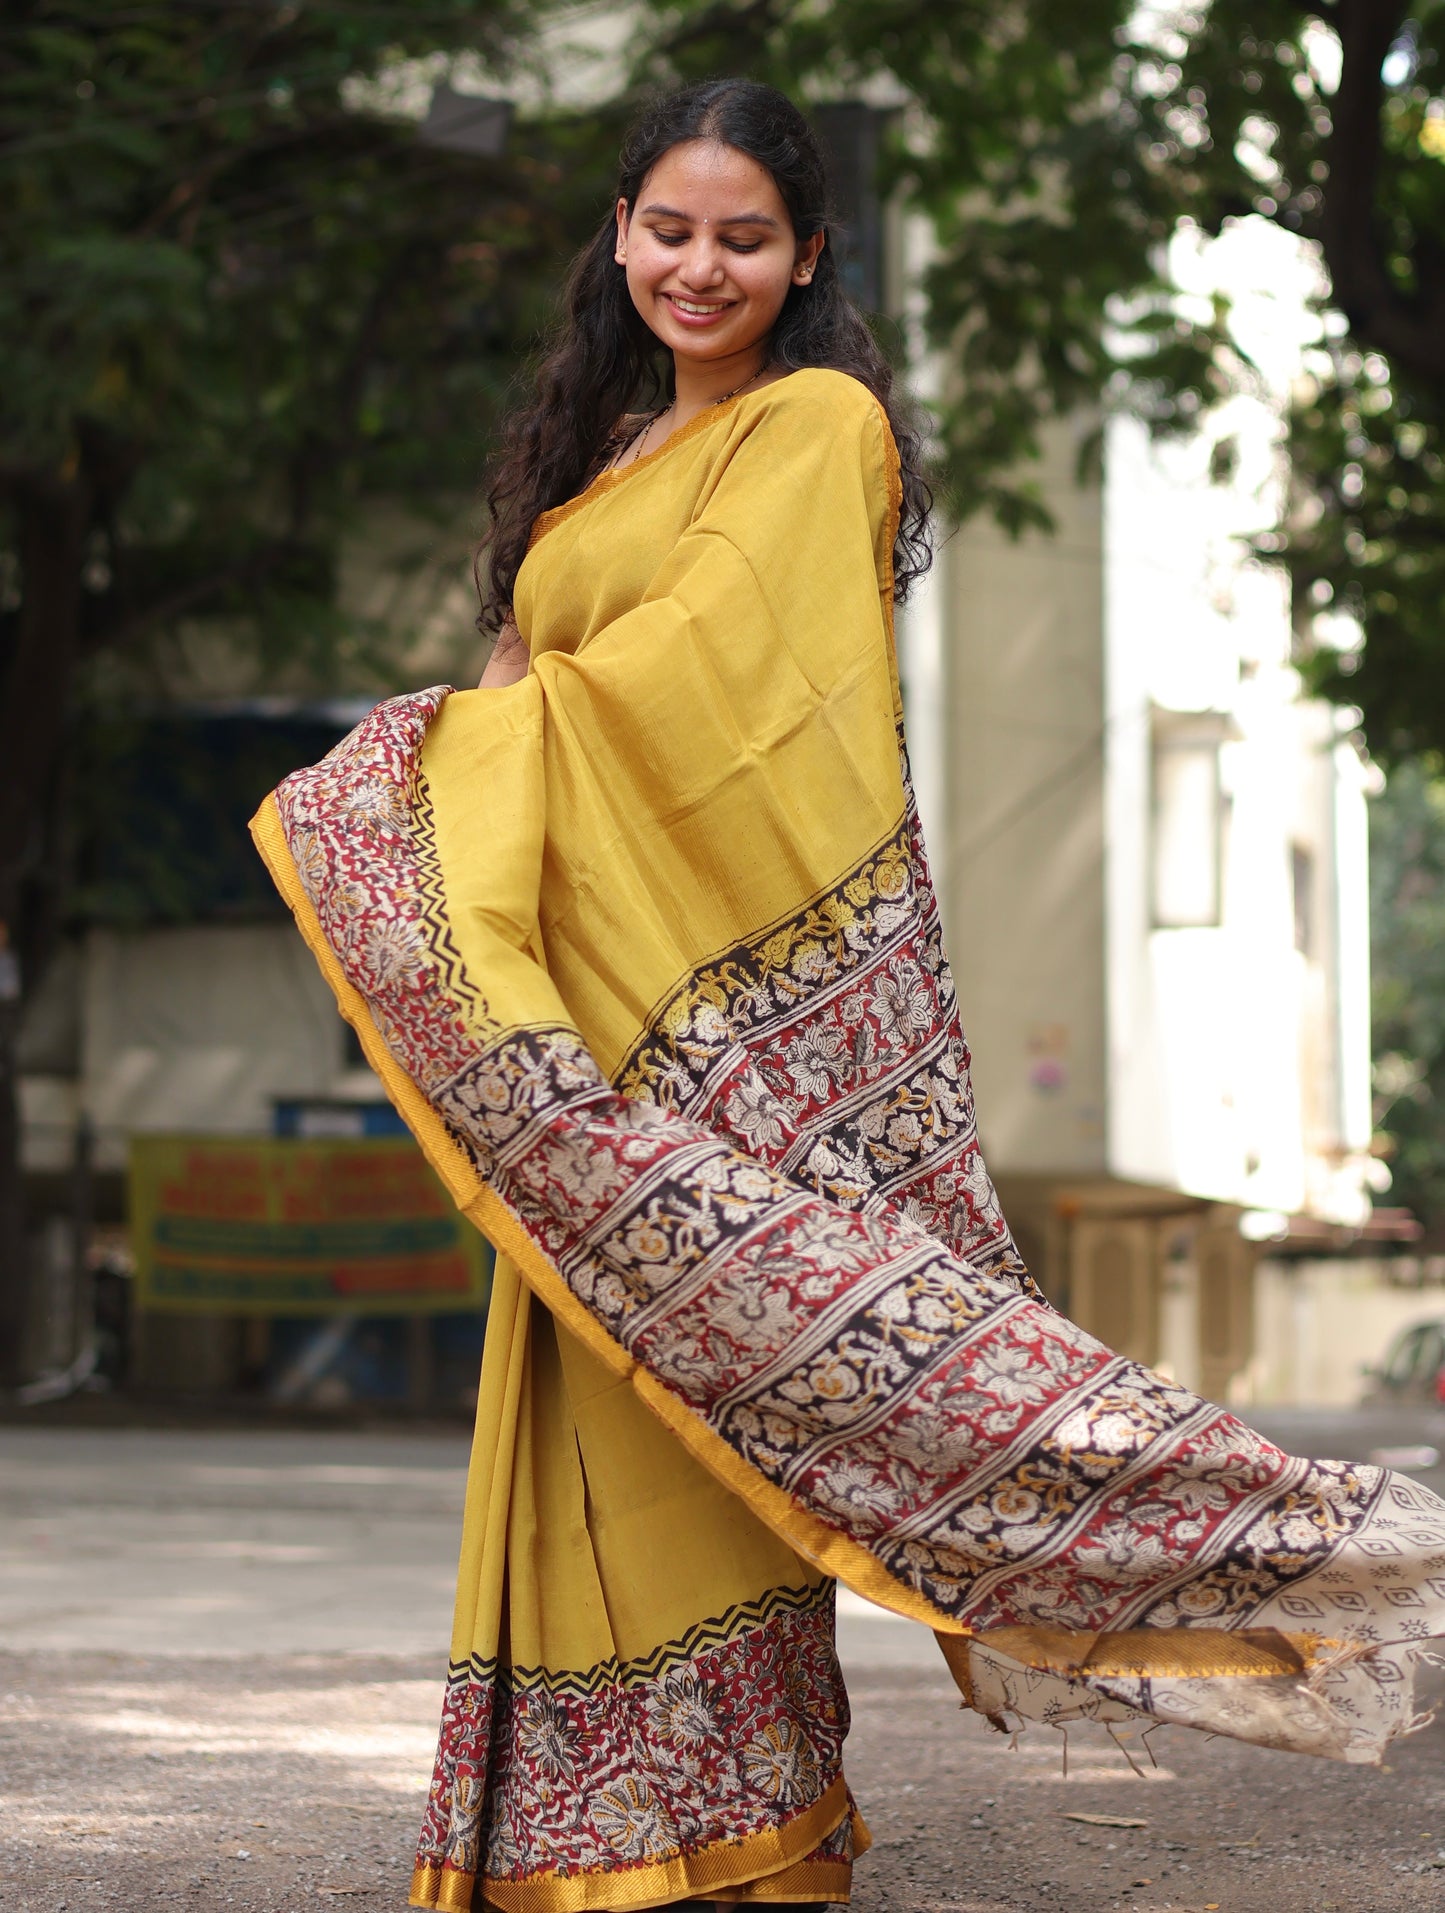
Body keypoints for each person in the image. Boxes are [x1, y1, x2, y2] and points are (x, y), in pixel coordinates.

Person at [253, 77, 1445, 1913]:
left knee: (773, 1399)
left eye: (743, 236)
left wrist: (473, 742)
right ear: (620, 239)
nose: (698, 265)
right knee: (614, 1405)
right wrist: (480, 738)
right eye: (666, 229)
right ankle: (624, 1830)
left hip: (718, 1049)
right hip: (597, 1029)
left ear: (806, 255)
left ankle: (774, 1810)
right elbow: (531, 682)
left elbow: (715, 699)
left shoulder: (817, 426)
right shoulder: (612, 453)